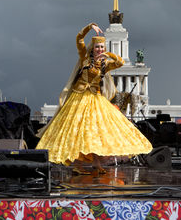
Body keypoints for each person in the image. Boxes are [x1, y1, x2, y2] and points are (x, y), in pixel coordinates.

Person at [36, 22, 152, 174]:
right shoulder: (84, 57)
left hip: (96, 99)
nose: (99, 50)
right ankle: (77, 164)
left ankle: (96, 163)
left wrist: (108, 55)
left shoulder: (104, 64)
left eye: (102, 47)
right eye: (97, 47)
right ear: (93, 48)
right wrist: (89, 27)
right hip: (79, 99)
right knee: (79, 132)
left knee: (96, 133)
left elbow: (120, 62)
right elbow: (79, 39)